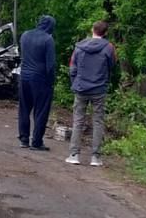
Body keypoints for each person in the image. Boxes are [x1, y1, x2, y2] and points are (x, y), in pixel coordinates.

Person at [66, 20, 117, 167]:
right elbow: (112, 66)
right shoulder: (109, 48)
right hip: (99, 89)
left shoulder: (79, 47)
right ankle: (95, 157)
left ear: (92, 30)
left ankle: (74, 154)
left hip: (81, 88)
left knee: (78, 121)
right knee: (98, 121)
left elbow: (72, 68)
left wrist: (75, 83)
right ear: (105, 33)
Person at [18, 15, 56, 150]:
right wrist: (51, 81)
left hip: (24, 76)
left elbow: (22, 54)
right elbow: (50, 65)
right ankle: (37, 142)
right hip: (40, 79)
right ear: (50, 26)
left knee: (24, 108)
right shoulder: (48, 39)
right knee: (41, 111)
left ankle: (23, 139)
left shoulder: (25, 35)